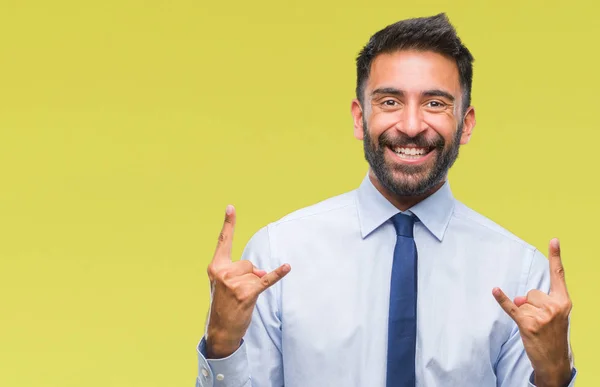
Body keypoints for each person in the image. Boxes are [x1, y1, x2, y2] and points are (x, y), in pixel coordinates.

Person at [196, 13, 577, 387]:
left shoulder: (520, 275)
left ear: (467, 124)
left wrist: (554, 376)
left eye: (435, 104)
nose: (411, 126)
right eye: (391, 102)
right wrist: (222, 344)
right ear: (360, 118)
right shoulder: (276, 255)